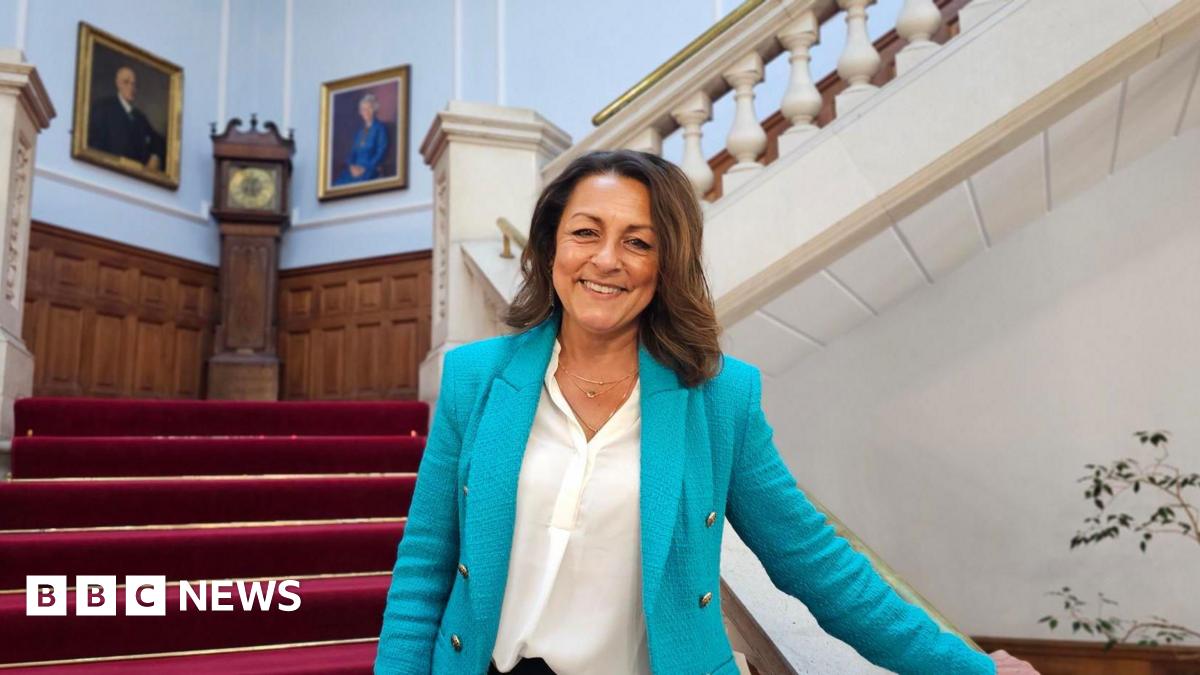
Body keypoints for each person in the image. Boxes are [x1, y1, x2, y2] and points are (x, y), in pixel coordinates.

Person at [374, 150, 1038, 675]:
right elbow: (427, 563)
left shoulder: (720, 399)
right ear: (552, 248)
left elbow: (816, 562)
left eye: (638, 242)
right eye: (586, 233)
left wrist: (967, 667)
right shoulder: (475, 379)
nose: (607, 260)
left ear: (666, 264)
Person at [87, 65, 166, 170]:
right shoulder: (103, 108)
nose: (131, 87)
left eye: (133, 84)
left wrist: (155, 156)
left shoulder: (139, 117)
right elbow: (94, 144)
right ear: (118, 84)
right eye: (126, 82)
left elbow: (159, 141)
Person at [334, 93, 388, 185]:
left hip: (370, 169)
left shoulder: (380, 128)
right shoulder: (360, 132)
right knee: (338, 184)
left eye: (369, 108)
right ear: (360, 112)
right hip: (354, 170)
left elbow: (380, 153)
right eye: (363, 109)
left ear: (374, 109)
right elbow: (353, 152)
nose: (366, 112)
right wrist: (351, 166)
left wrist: (365, 168)